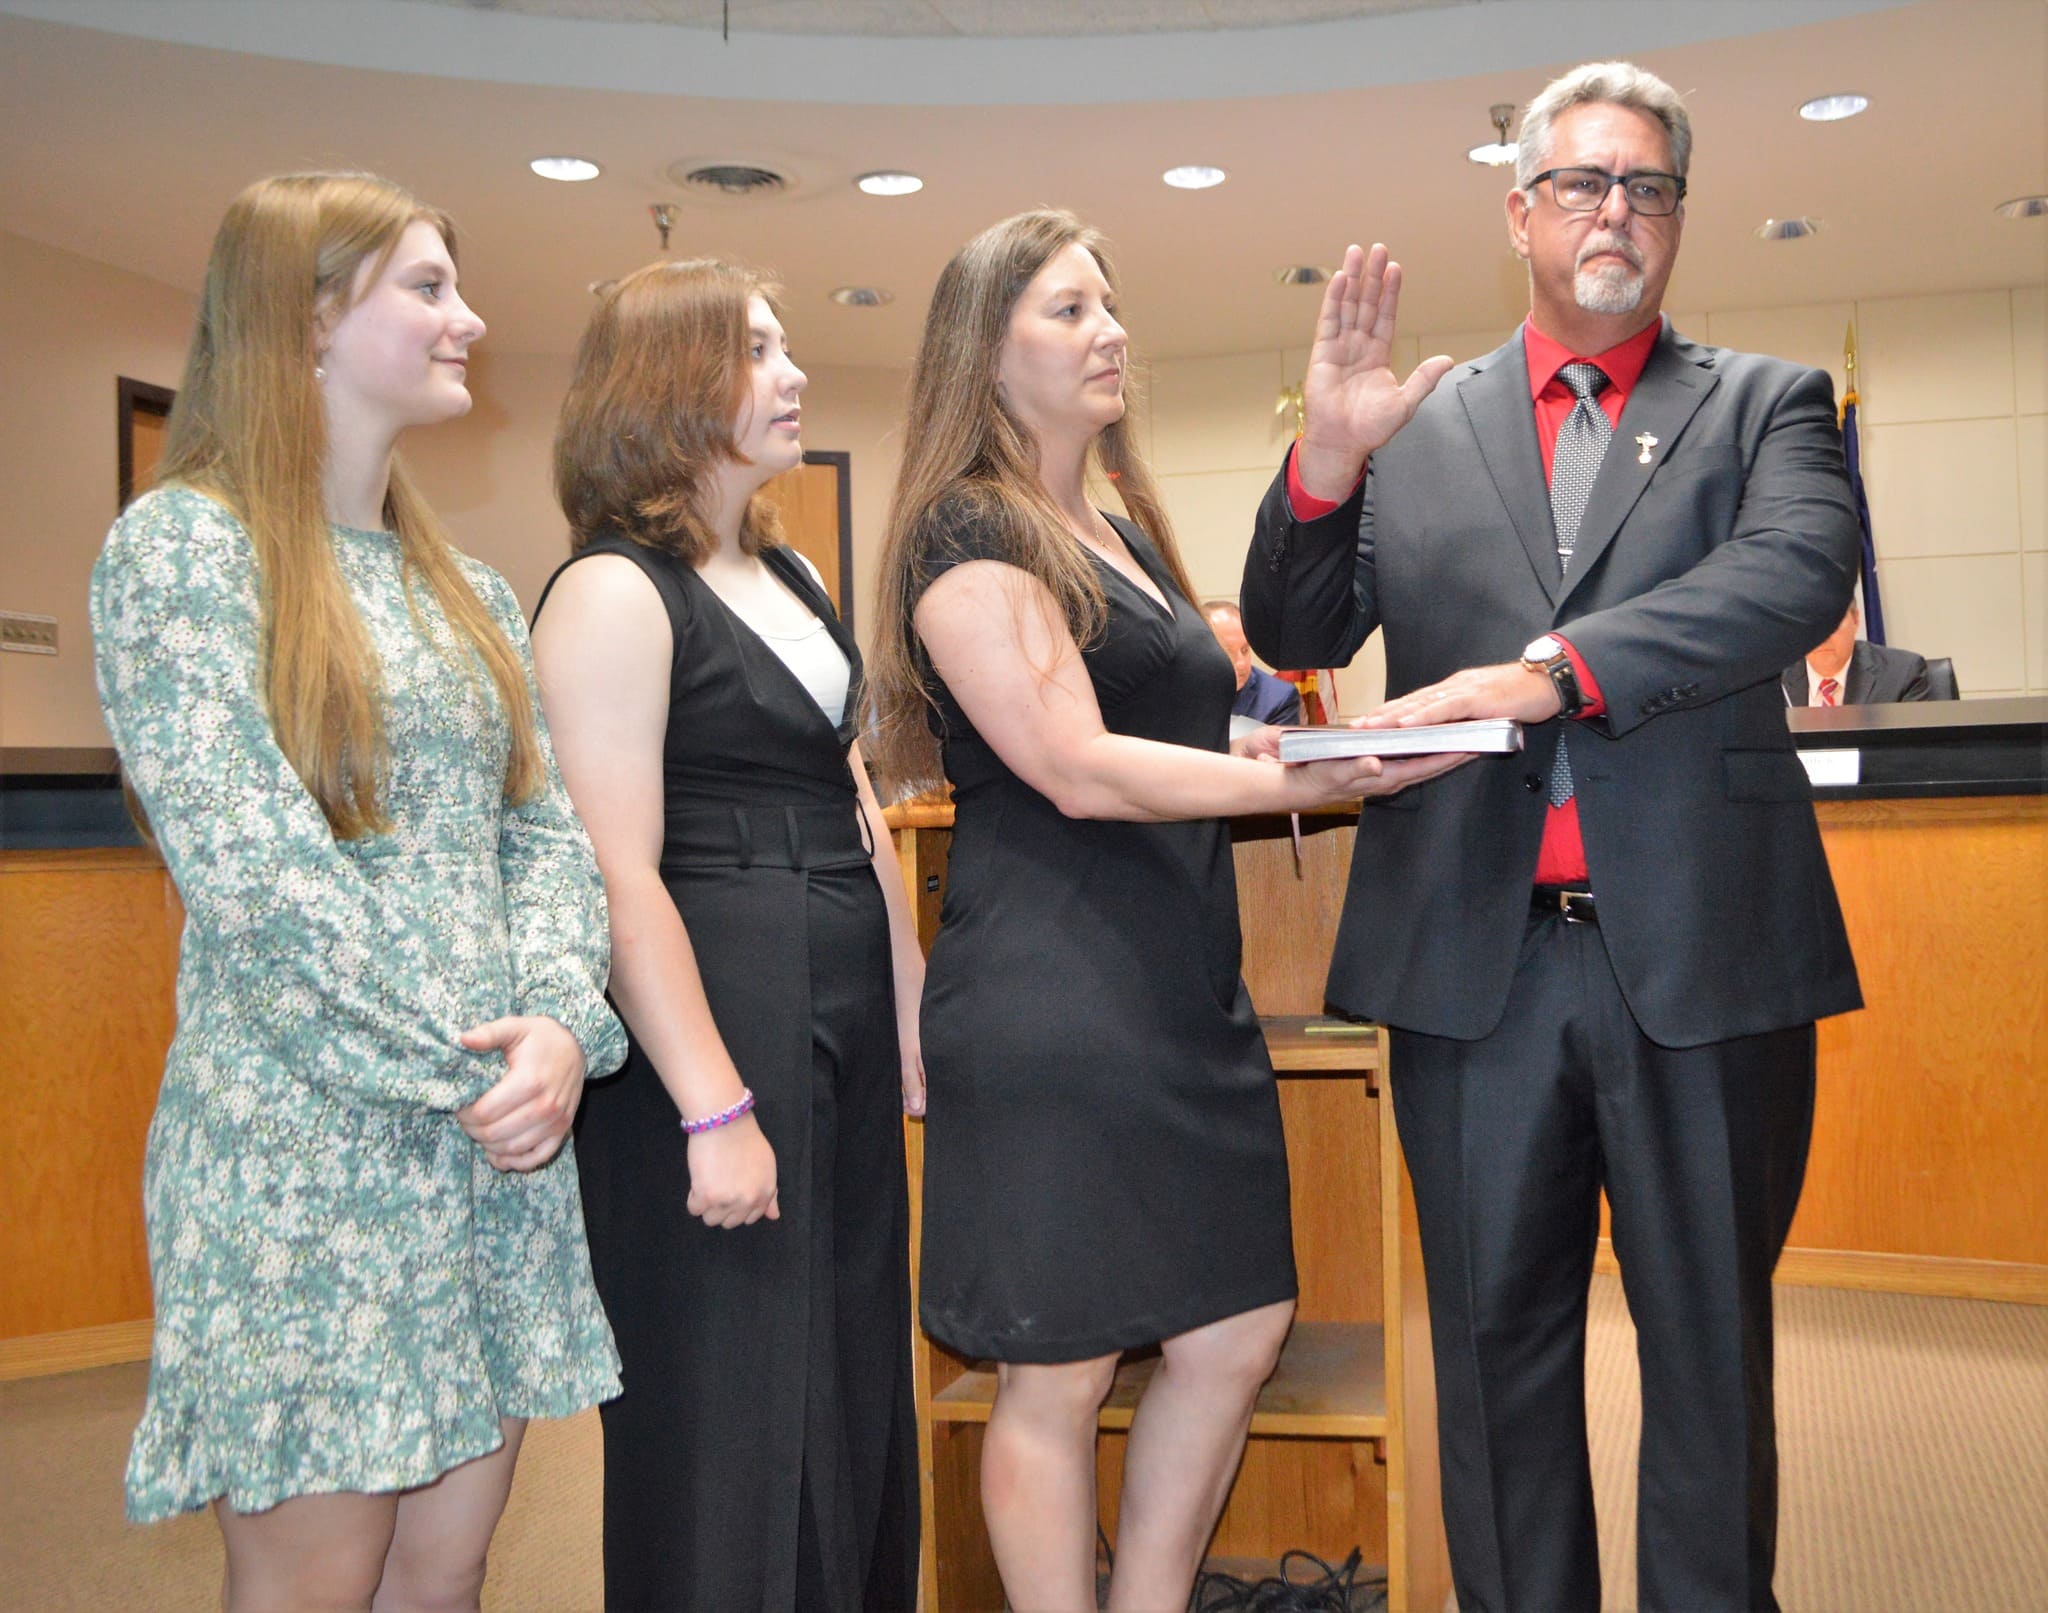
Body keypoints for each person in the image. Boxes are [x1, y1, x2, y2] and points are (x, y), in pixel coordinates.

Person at [1240, 61, 1863, 1613]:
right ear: (1519, 211)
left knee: (1710, 1352)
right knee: (1493, 1354)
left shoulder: (1763, 403)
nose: (1617, 213)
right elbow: (1295, 622)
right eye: (1584, 183)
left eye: (1648, 187)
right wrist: (1326, 459)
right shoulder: (1424, 426)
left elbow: (1791, 577)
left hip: (1705, 973)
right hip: (1475, 974)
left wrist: (1549, 674)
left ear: (1676, 220)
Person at [867, 209, 1461, 1611]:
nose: (1110, 329)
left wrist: (1303, 758)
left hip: (1175, 988)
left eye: (1109, 303)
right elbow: (1074, 765)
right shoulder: (968, 527)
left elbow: (1182, 724)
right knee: (1057, 1366)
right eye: (1068, 309)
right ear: (983, 350)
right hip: (1055, 998)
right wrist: (1293, 785)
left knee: (1238, 1324)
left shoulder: (1114, 520)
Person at [89, 172, 625, 1611]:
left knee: (443, 1575)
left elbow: (547, 838)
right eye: (429, 288)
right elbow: (258, 878)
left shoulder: (473, 593)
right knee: (317, 1583)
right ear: (308, 317)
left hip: (491, 1137)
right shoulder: (184, 550)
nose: (473, 320)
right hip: (310, 1155)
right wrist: (462, 1062)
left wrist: (565, 1028)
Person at [529, 259, 922, 1611]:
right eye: (756, 348)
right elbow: (614, 871)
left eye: (786, 339)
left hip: (841, 992)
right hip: (714, 1013)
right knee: (731, 1402)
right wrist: (710, 1104)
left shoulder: (793, 567)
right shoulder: (611, 592)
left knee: (851, 1371)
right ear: (669, 383)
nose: (793, 370)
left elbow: (855, 792)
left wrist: (910, 1005)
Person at [1781, 597, 1940, 703]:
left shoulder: (1903, 675)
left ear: (1856, 619)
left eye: (1833, 622)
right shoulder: (1770, 681)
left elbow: (1910, 752)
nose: (1823, 635)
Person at [1203, 599, 1302, 724]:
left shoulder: (1279, 699)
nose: (1241, 663)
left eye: (1244, 650)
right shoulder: (1181, 690)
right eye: (1228, 653)